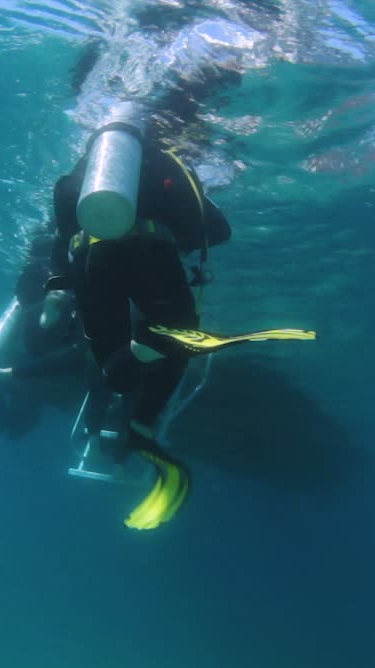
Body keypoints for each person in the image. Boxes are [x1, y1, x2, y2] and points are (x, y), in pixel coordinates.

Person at [40, 112, 233, 530]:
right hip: (154, 262)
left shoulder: (78, 177)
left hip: (92, 264)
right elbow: (217, 231)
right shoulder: (170, 165)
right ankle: (143, 420)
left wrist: (58, 288)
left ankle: (123, 371)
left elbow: (62, 235)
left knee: (109, 357)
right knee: (179, 342)